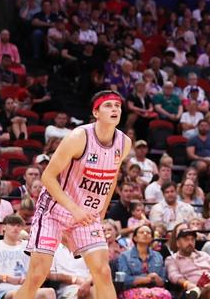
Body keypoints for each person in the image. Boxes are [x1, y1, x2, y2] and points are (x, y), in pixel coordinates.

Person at [17, 91, 128, 299]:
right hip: (54, 210)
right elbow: (48, 177)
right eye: (109, 106)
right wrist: (74, 210)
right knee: (37, 275)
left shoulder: (124, 143)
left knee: (103, 272)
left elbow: (112, 179)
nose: (115, 109)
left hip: (85, 215)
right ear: (96, 112)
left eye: (118, 105)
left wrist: (100, 214)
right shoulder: (79, 137)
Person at [0, 214, 55, 299]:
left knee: (49, 292)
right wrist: (6, 278)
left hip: (28, 287)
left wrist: (31, 280)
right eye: (12, 225)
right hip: (5, 290)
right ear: (4, 227)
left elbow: (43, 270)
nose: (16, 228)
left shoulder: (29, 246)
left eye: (19, 225)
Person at [164, 226, 210, 299]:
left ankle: (205, 288)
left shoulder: (204, 255)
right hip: (192, 291)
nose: (190, 242)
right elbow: (174, 276)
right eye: (186, 240)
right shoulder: (172, 259)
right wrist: (188, 284)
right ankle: (206, 288)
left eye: (192, 239)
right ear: (178, 243)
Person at [115, 225, 171, 299]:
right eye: (141, 232)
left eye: (148, 233)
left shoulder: (158, 256)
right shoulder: (125, 256)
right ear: (135, 238)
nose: (145, 234)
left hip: (155, 290)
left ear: (152, 238)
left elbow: (163, 281)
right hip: (131, 289)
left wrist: (157, 278)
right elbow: (124, 280)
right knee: (146, 295)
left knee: (166, 294)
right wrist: (145, 279)